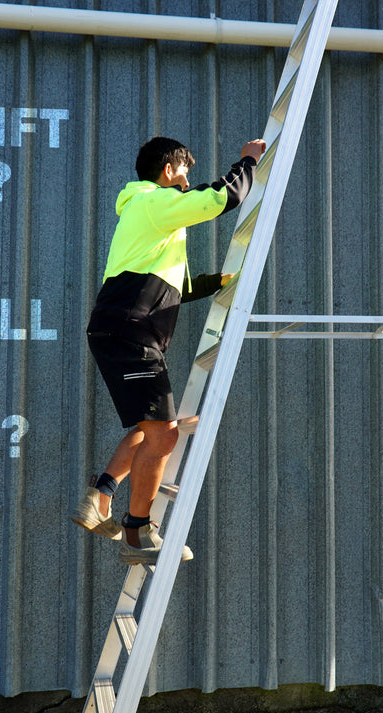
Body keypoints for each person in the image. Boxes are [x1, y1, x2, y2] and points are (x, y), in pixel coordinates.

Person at [71, 135, 266, 565]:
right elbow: (221, 197)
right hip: (132, 332)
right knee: (166, 433)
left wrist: (217, 283)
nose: (186, 182)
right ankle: (138, 533)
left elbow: (171, 285)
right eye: (184, 173)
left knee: (147, 429)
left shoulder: (147, 216)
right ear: (168, 171)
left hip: (121, 329)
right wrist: (248, 162)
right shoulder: (153, 203)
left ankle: (100, 498)